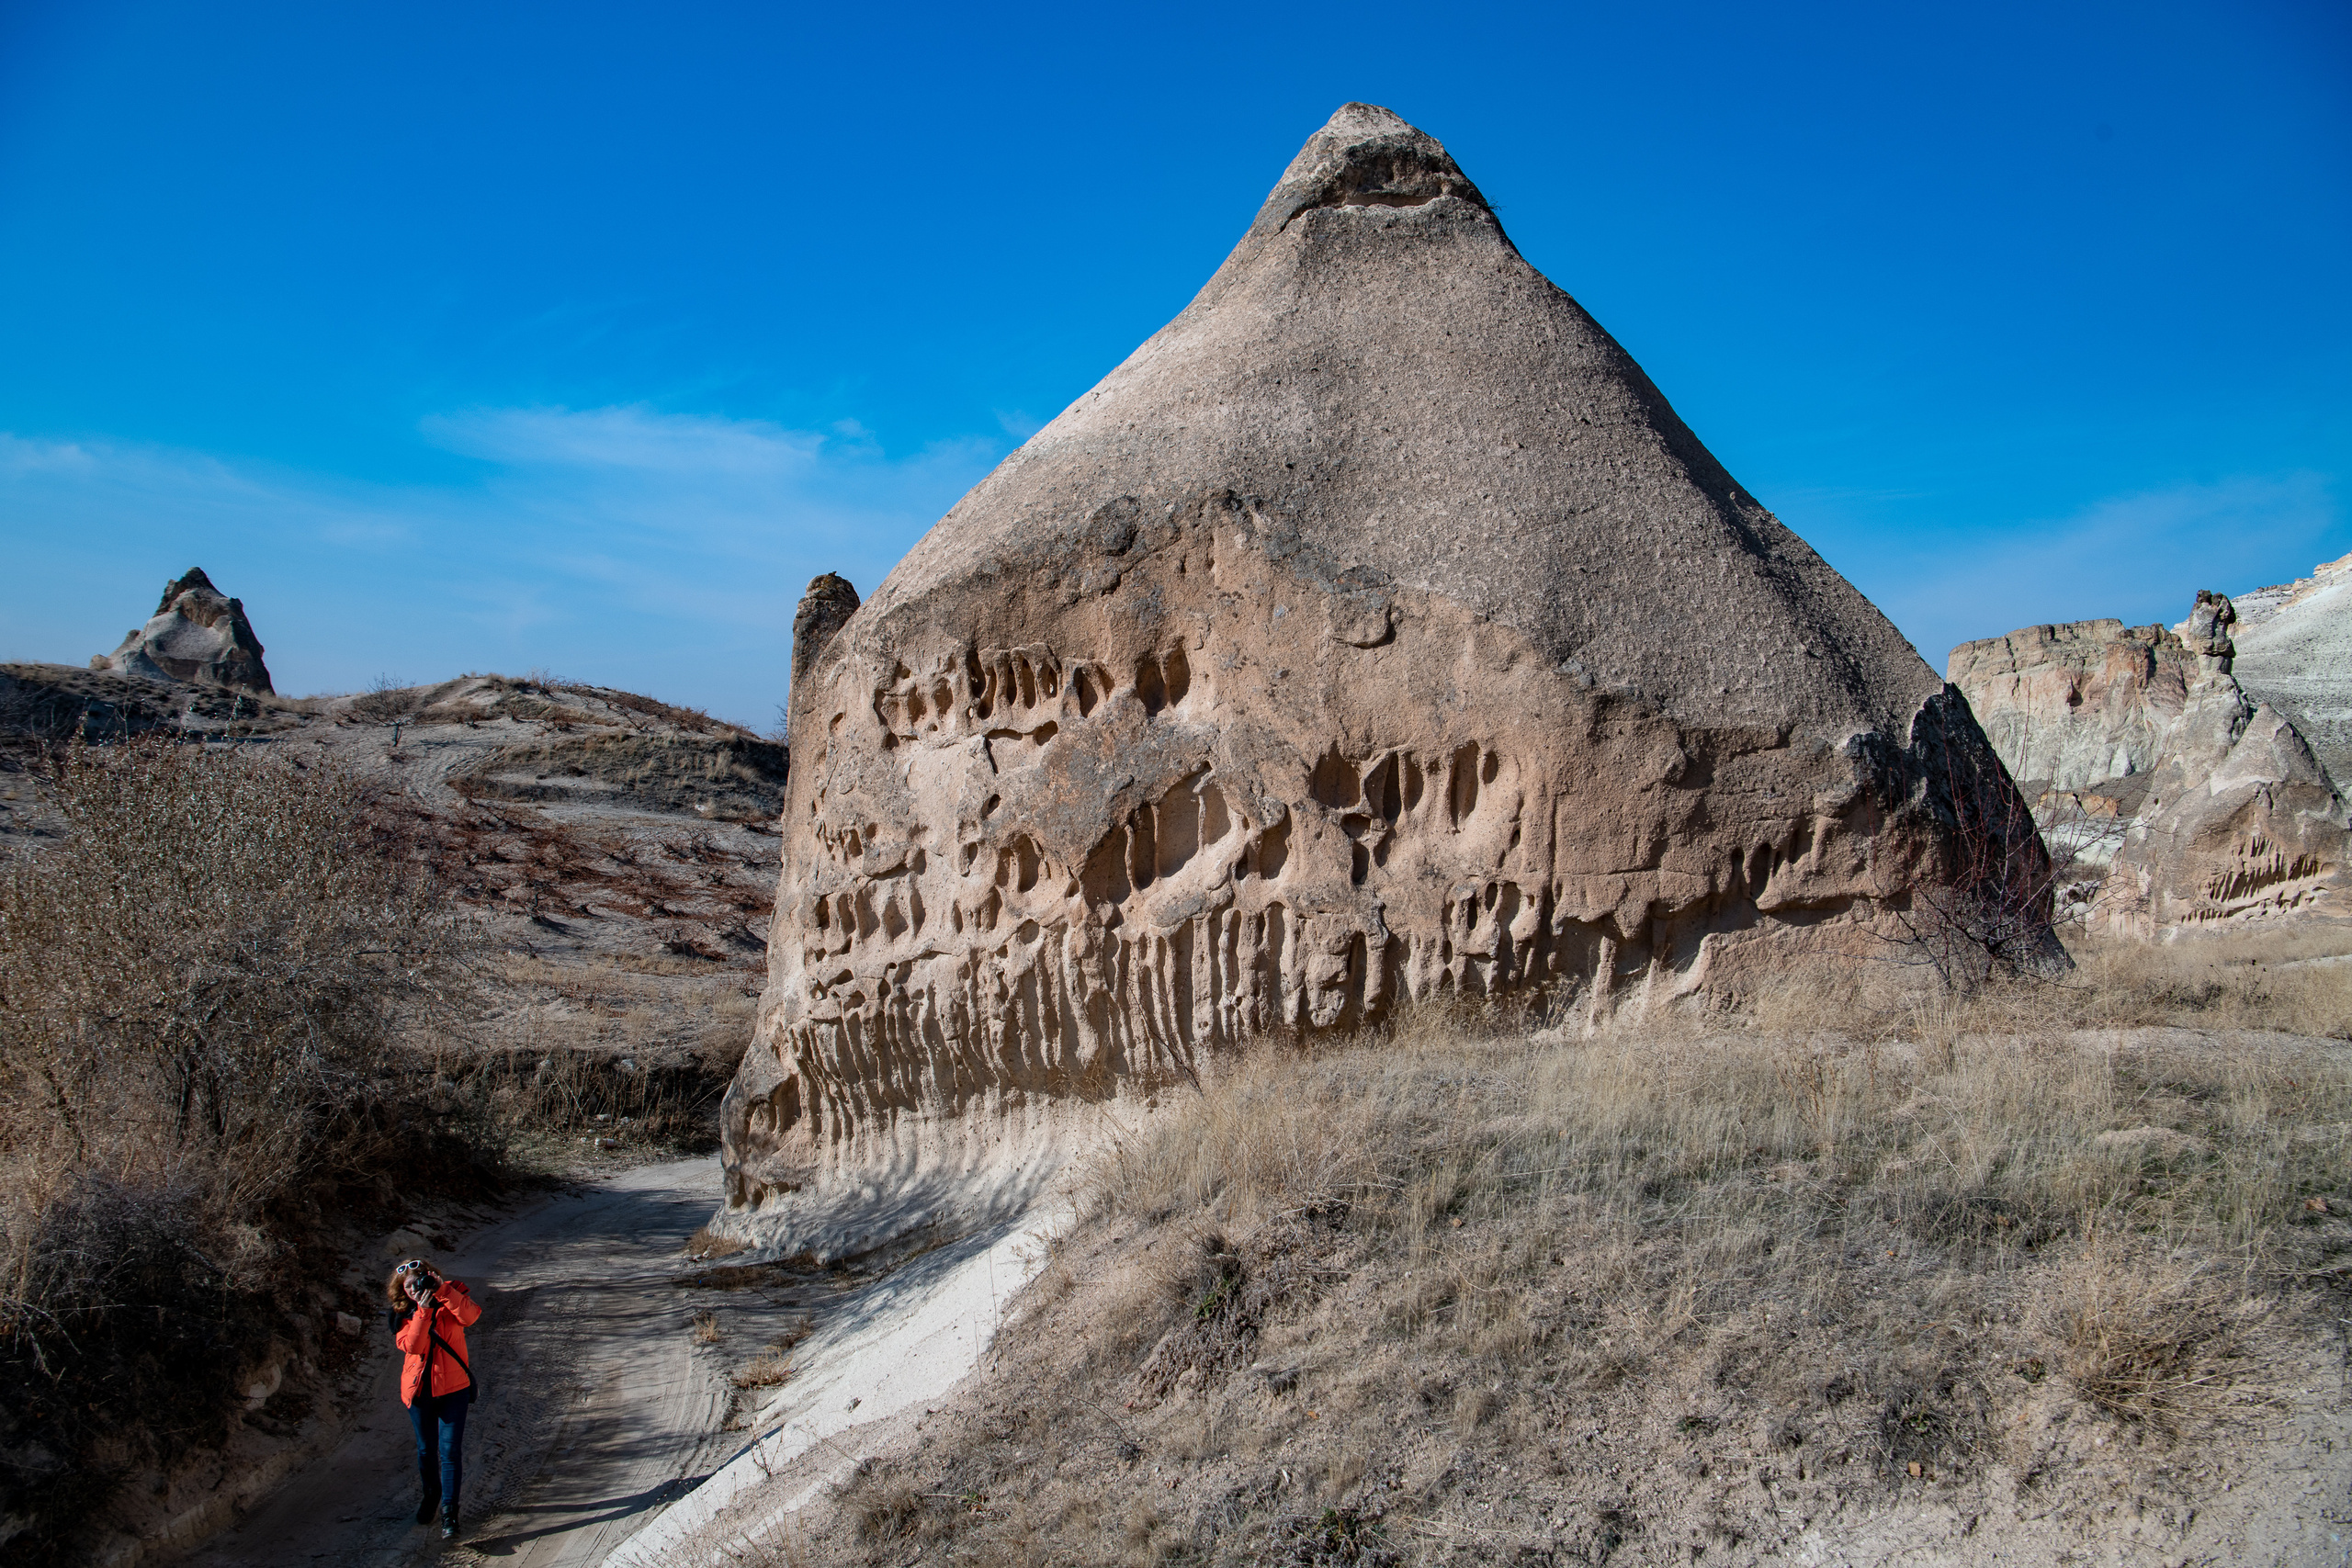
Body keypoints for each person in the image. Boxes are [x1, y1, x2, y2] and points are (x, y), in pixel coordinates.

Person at [386, 1257, 481, 1540]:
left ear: (432, 1276)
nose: (416, 1289)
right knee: (426, 1450)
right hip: (419, 1394)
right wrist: (423, 1311)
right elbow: (414, 1346)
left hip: (453, 1389)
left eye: (420, 1281)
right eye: (409, 1286)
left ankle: (449, 1513)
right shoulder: (401, 1312)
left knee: (449, 1453)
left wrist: (442, 1291)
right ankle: (431, 1496)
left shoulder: (452, 1296)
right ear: (401, 1289)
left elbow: (471, 1317)